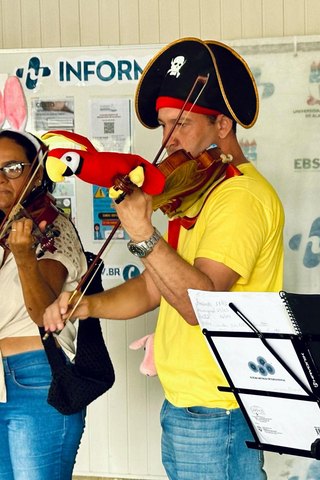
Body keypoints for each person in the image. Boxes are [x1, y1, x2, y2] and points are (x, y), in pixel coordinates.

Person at [44, 38, 284, 480]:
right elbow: (156, 287)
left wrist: (141, 231)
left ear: (223, 125)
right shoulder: (193, 193)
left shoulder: (241, 196)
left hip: (218, 408)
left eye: (183, 123)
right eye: (163, 124)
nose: (168, 138)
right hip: (187, 403)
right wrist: (88, 306)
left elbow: (198, 304)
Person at [0, 129, 87, 478]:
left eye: (13, 167)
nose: (1, 179)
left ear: (38, 170)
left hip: (35, 374)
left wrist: (23, 256)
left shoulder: (53, 227)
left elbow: (44, 313)